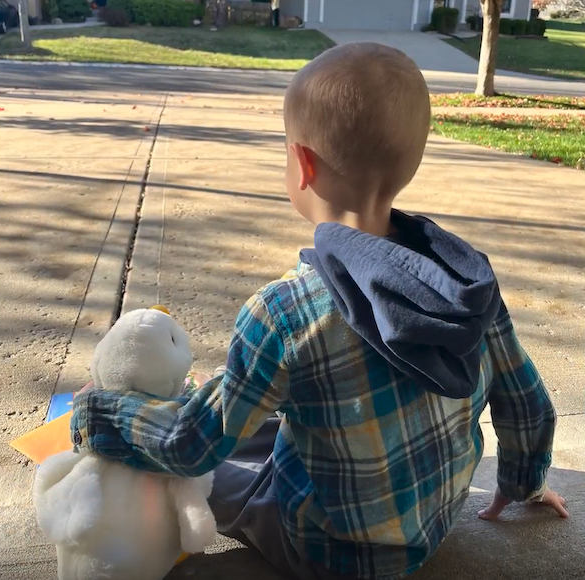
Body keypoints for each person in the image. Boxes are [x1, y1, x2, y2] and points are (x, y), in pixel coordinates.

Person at [70, 43, 567, 580]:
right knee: (272, 408)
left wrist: (98, 412)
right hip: (433, 523)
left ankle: (130, 420)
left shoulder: (284, 312)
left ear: (303, 164)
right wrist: (522, 484)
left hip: (333, 553)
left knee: (199, 473)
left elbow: (193, 446)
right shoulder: (467, 279)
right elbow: (528, 403)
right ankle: (224, 395)